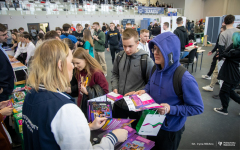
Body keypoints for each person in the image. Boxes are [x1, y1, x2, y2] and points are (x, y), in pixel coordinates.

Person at [22, 39, 128, 150]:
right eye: (71, 62)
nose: (73, 67)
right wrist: (113, 137)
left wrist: (89, 127)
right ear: (60, 65)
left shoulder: (30, 94)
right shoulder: (65, 109)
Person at [134, 32, 204, 150]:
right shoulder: (155, 68)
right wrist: (144, 91)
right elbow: (151, 84)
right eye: (154, 49)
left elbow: (198, 108)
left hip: (170, 129)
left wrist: (170, 109)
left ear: (170, 53)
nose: (155, 53)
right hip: (151, 123)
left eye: (159, 50)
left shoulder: (184, 78)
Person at [111, 28, 154, 130]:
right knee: (115, 131)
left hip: (136, 106)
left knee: (136, 134)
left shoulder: (146, 61)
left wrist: (139, 92)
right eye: (124, 46)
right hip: (118, 103)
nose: (127, 50)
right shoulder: (119, 56)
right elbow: (115, 74)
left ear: (137, 43)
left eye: (130, 46)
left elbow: (151, 84)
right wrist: (115, 86)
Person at [213, 32, 240, 115]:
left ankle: (224, 109)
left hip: (232, 75)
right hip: (233, 74)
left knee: (224, 92)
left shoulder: (236, 52)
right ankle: (224, 108)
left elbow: (224, 53)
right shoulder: (237, 49)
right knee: (230, 92)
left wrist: (229, 46)